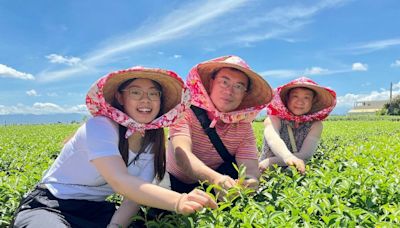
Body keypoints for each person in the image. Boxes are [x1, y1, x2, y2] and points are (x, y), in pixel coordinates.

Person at [11, 66, 217, 228]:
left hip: (96, 209)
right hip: (51, 205)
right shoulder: (101, 126)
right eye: (136, 92)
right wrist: (179, 201)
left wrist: (114, 226)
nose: (146, 99)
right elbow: (121, 181)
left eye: (154, 94)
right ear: (120, 98)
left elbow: (133, 197)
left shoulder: (153, 139)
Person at [166, 55, 273, 194]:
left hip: (214, 183)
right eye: (224, 82)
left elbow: (250, 170)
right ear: (211, 84)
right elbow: (181, 154)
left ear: (244, 94)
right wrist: (214, 179)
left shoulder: (243, 126)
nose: (229, 91)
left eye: (238, 86)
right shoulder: (185, 111)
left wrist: (250, 182)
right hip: (174, 181)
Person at [259, 77, 336, 174]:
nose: (300, 102)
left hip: (298, 171)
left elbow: (306, 154)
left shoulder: (315, 125)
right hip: (266, 170)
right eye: (295, 96)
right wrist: (287, 157)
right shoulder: (273, 119)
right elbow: (273, 140)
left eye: (306, 98)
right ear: (287, 99)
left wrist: (273, 161)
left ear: (313, 102)